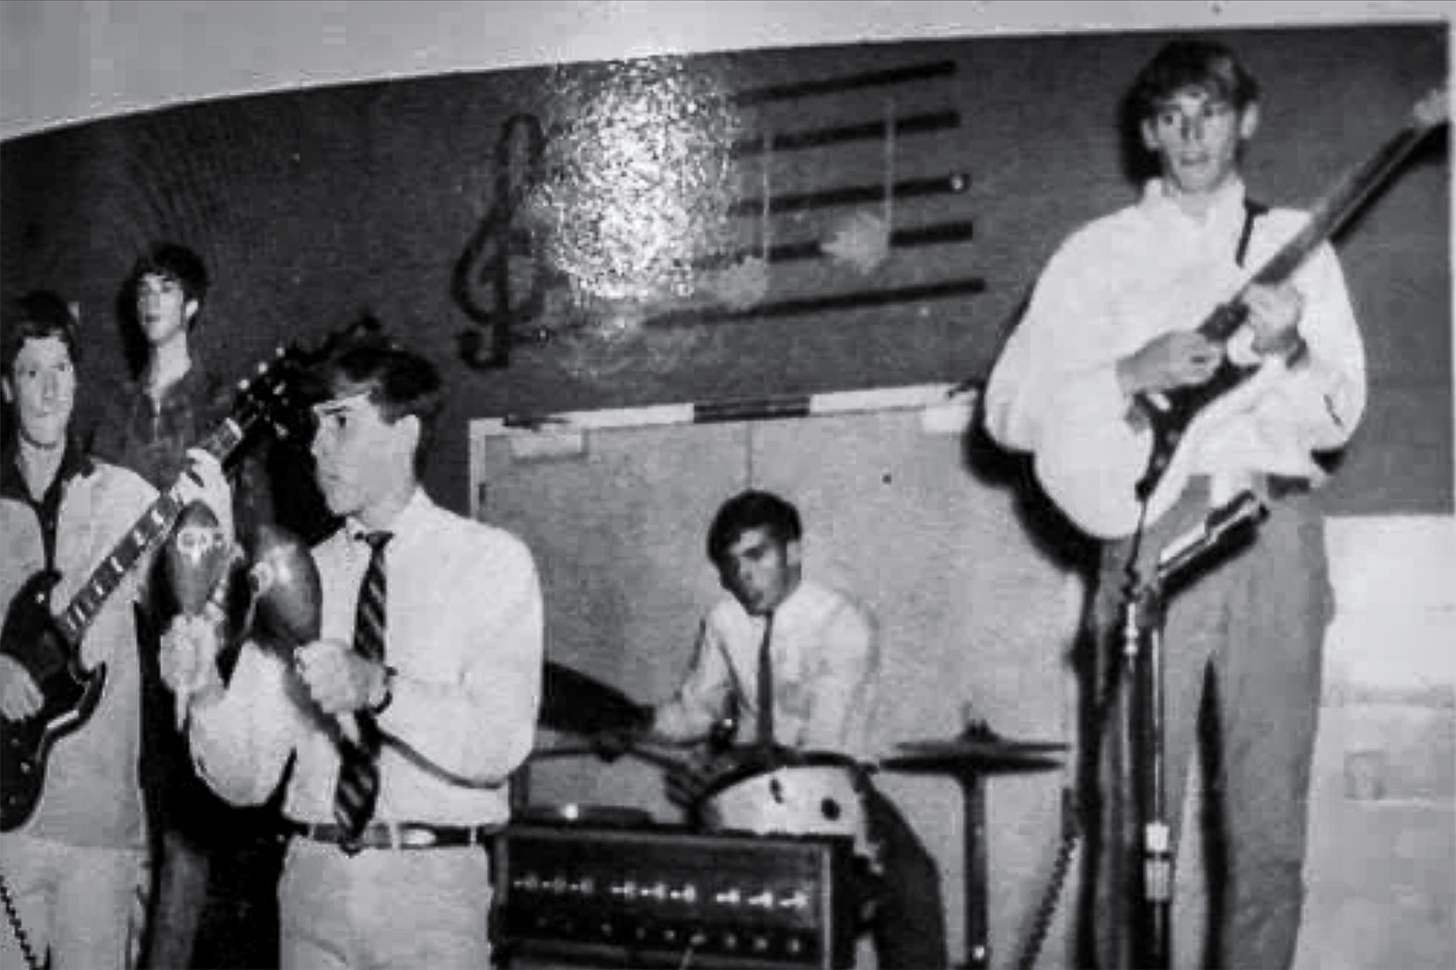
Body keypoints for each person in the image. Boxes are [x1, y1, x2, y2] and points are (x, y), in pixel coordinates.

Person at [982, 39, 1366, 969]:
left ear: (1247, 121)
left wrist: (1294, 350)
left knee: (1270, 832)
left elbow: (1339, 415)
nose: (1193, 136)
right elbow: (1007, 411)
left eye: (1212, 113)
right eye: (1173, 117)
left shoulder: (1296, 246)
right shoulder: (1095, 254)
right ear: (1150, 132)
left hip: (1276, 528)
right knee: (1130, 824)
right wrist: (1127, 370)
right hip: (1156, 528)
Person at [158, 329, 544, 969]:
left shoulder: (491, 562)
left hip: (433, 892)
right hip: (313, 884)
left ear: (405, 433)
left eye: (339, 422)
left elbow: (499, 743)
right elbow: (247, 779)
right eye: (314, 427)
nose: (316, 446)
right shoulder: (291, 570)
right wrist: (203, 690)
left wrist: (379, 689)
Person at [596, 489, 948, 969]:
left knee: (911, 883)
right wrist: (636, 723)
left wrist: (725, 763)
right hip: (741, 789)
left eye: (757, 555)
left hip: (833, 789)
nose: (743, 575)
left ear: (793, 551)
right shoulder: (723, 620)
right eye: (732, 562)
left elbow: (823, 746)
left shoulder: (842, 622)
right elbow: (696, 712)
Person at [0, 290, 230, 970]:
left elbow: (197, 594)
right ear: (6, 389)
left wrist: (214, 517)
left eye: (62, 370)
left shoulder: (126, 496)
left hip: (102, 829)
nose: (49, 390)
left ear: (78, 380)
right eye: (31, 372)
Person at [88, 241, 278, 970]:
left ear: (192, 304)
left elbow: (252, 533)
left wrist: (215, 630)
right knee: (114, 806)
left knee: (183, 827)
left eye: (165, 287)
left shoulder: (223, 404)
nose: (150, 299)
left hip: (191, 632)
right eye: (143, 287)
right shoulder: (112, 411)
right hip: (114, 635)